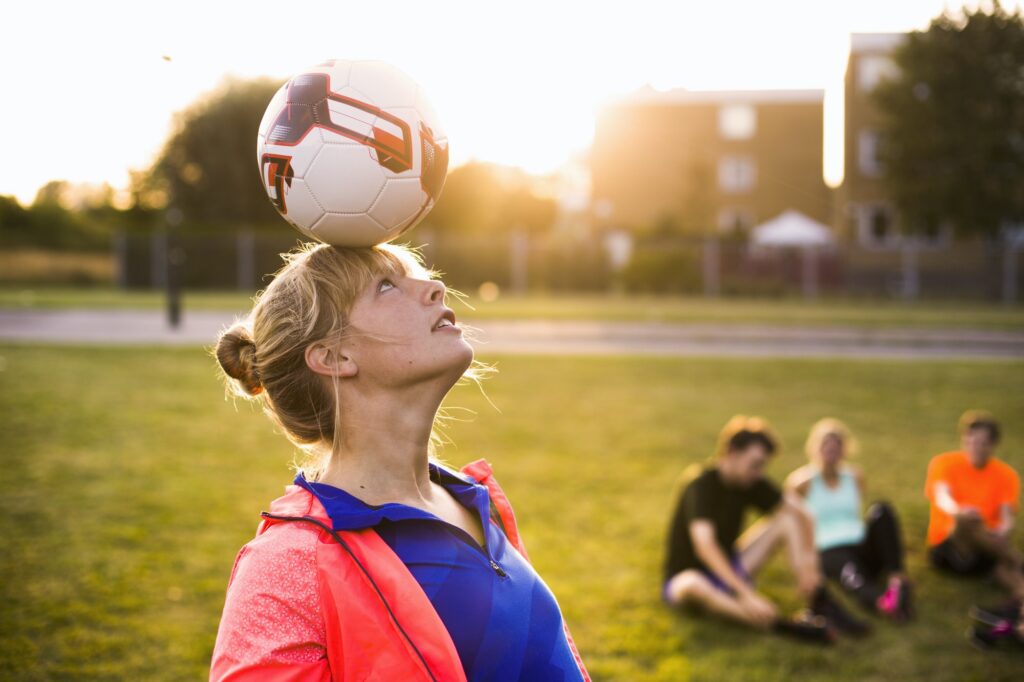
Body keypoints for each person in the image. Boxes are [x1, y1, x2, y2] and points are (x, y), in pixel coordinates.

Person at [208, 242, 590, 681]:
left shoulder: (471, 498)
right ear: (334, 357)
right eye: (387, 286)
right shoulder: (287, 566)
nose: (435, 287)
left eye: (417, 274)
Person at [662, 415, 868, 644]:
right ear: (731, 453)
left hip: (730, 568)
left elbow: (804, 515)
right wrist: (746, 595)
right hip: (689, 580)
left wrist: (810, 565)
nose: (759, 472)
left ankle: (819, 602)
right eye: (755, 464)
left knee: (786, 522)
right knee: (693, 584)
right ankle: (783, 626)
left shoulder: (749, 480)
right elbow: (705, 546)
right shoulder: (700, 483)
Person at [785, 418, 912, 622]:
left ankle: (897, 580)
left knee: (882, 510)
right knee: (851, 574)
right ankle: (883, 603)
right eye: (826, 446)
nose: (831, 452)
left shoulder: (854, 477)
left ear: (844, 450)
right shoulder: (802, 483)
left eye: (836, 447)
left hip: (860, 543)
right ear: (815, 448)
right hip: (829, 548)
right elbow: (790, 520)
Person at [924, 410, 1023, 648]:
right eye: (969, 441)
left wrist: (1002, 529)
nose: (974, 447)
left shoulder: (1005, 475)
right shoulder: (944, 463)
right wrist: (959, 510)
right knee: (967, 520)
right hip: (949, 549)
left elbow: (1007, 518)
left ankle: (1018, 602)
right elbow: (942, 497)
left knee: (1003, 568)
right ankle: (1017, 559)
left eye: (981, 443)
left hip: (985, 551)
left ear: (993, 445)